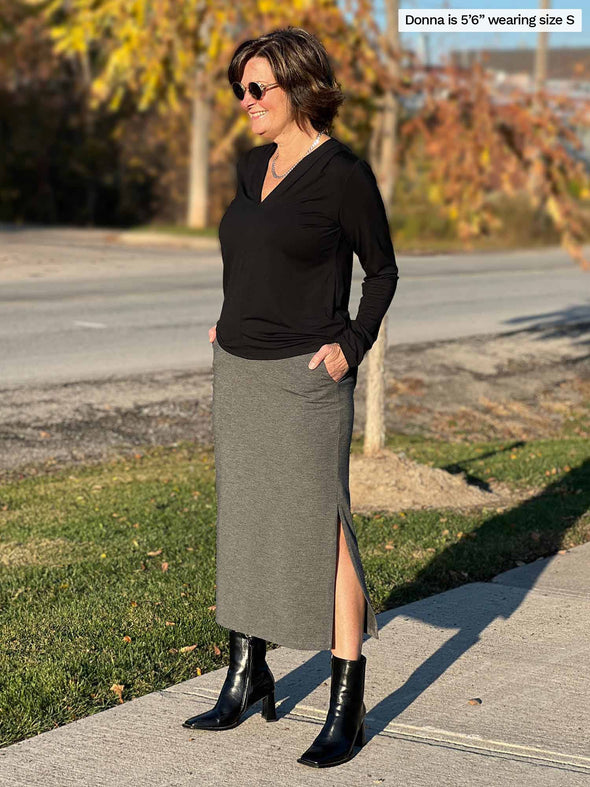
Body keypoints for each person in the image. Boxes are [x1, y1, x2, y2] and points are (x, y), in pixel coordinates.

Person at [182, 26, 399, 768]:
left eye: (256, 89)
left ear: (300, 89)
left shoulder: (343, 174)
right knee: (245, 516)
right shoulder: (252, 165)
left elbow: (383, 271)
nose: (245, 102)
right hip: (239, 367)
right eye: (239, 89)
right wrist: (229, 313)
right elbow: (249, 250)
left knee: (321, 525)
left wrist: (353, 345)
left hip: (308, 376)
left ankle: (348, 702)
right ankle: (249, 671)